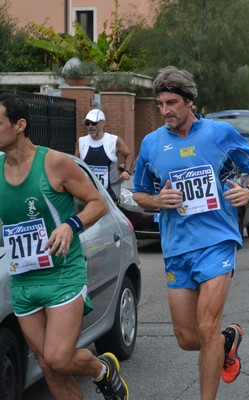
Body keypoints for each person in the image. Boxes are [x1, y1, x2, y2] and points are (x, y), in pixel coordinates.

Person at [132, 66, 249, 398]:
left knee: (206, 326)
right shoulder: (151, 144)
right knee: (187, 338)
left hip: (217, 241)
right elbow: (137, 193)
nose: (165, 111)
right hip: (177, 246)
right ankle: (227, 341)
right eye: (160, 104)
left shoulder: (219, 134)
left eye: (172, 103)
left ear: (189, 102)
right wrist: (156, 199)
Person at [0, 93, 129, 399]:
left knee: (59, 357)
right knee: (47, 365)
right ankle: (99, 370)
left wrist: (71, 226)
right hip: (23, 277)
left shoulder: (55, 163)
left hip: (62, 275)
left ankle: (102, 370)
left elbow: (97, 203)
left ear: (19, 125)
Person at [75, 109, 133, 202]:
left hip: (111, 195)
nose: (90, 126)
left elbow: (128, 155)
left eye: (94, 123)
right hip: (88, 195)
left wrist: (127, 171)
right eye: (87, 123)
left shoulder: (114, 140)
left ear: (103, 123)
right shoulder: (81, 142)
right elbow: (76, 165)